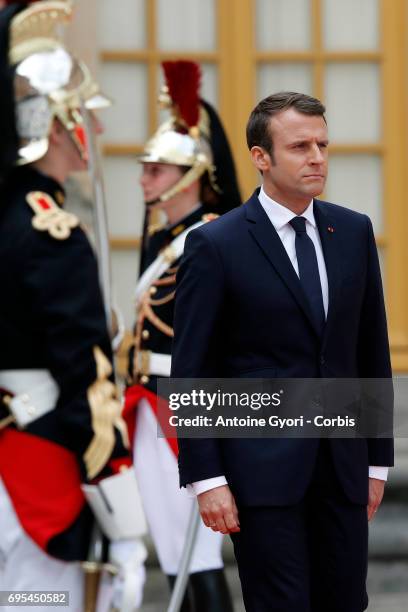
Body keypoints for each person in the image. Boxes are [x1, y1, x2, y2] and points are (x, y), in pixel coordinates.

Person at [171, 91, 394, 612]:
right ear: (261, 157)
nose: (317, 157)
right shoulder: (216, 244)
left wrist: (377, 462)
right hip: (260, 474)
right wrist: (208, 480)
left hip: (342, 468)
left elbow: (370, 351)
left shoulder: (353, 230)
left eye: (322, 144)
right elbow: (193, 370)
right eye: (300, 146)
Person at [0, 2, 146, 610]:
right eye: (85, 112)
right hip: (42, 475)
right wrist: (126, 525)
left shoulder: (10, 222)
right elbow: (89, 384)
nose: (98, 128)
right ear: (55, 122)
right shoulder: (51, 232)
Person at [123, 60, 241, 611]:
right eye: (145, 167)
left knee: (196, 552)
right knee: (172, 548)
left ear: (191, 174)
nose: (144, 178)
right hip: (147, 400)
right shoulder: (160, 240)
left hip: (184, 405)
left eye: (156, 169)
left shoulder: (212, 238)